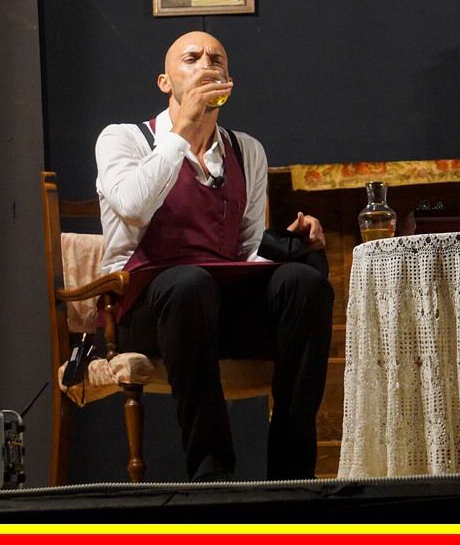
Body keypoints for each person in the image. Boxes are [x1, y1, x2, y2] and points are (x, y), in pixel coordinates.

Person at [95, 30, 334, 481]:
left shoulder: (246, 149)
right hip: (144, 309)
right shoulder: (123, 138)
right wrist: (183, 130)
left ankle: (292, 477)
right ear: (165, 82)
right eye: (191, 58)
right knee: (189, 283)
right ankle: (212, 477)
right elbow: (132, 205)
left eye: (216, 59)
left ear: (229, 81)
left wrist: (289, 245)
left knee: (303, 284)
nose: (206, 64)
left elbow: (246, 252)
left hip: (218, 307)